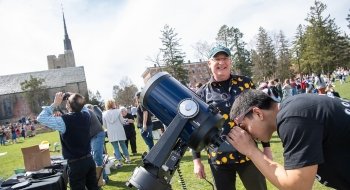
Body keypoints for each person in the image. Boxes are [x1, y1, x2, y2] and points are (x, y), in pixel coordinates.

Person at [227, 89, 350, 189]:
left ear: (258, 113)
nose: (245, 134)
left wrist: (251, 151)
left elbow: (298, 186)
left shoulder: (294, 117)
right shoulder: (294, 108)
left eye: (243, 127)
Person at [192, 45, 270, 190]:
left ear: (230, 61)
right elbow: (195, 128)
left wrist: (267, 147)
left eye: (225, 58)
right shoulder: (202, 94)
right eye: (217, 59)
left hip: (249, 154)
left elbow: (261, 115)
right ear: (209, 63)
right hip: (219, 158)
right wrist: (197, 160)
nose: (221, 62)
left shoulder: (245, 83)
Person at [37, 92, 98, 190]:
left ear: (68, 105)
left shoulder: (63, 121)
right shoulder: (86, 115)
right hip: (89, 159)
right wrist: (73, 96)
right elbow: (82, 106)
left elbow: (41, 118)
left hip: (75, 164)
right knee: (94, 188)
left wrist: (55, 104)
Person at [102, 99, 131, 167]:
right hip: (119, 130)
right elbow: (122, 121)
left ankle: (120, 162)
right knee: (123, 145)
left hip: (111, 132)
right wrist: (127, 121)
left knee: (115, 147)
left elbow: (104, 125)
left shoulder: (104, 113)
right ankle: (128, 159)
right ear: (113, 104)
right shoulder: (118, 111)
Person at [85, 104, 108, 183]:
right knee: (95, 157)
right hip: (91, 137)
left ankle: (103, 178)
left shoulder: (87, 112)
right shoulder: (84, 112)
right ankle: (101, 178)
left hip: (97, 135)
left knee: (97, 156)